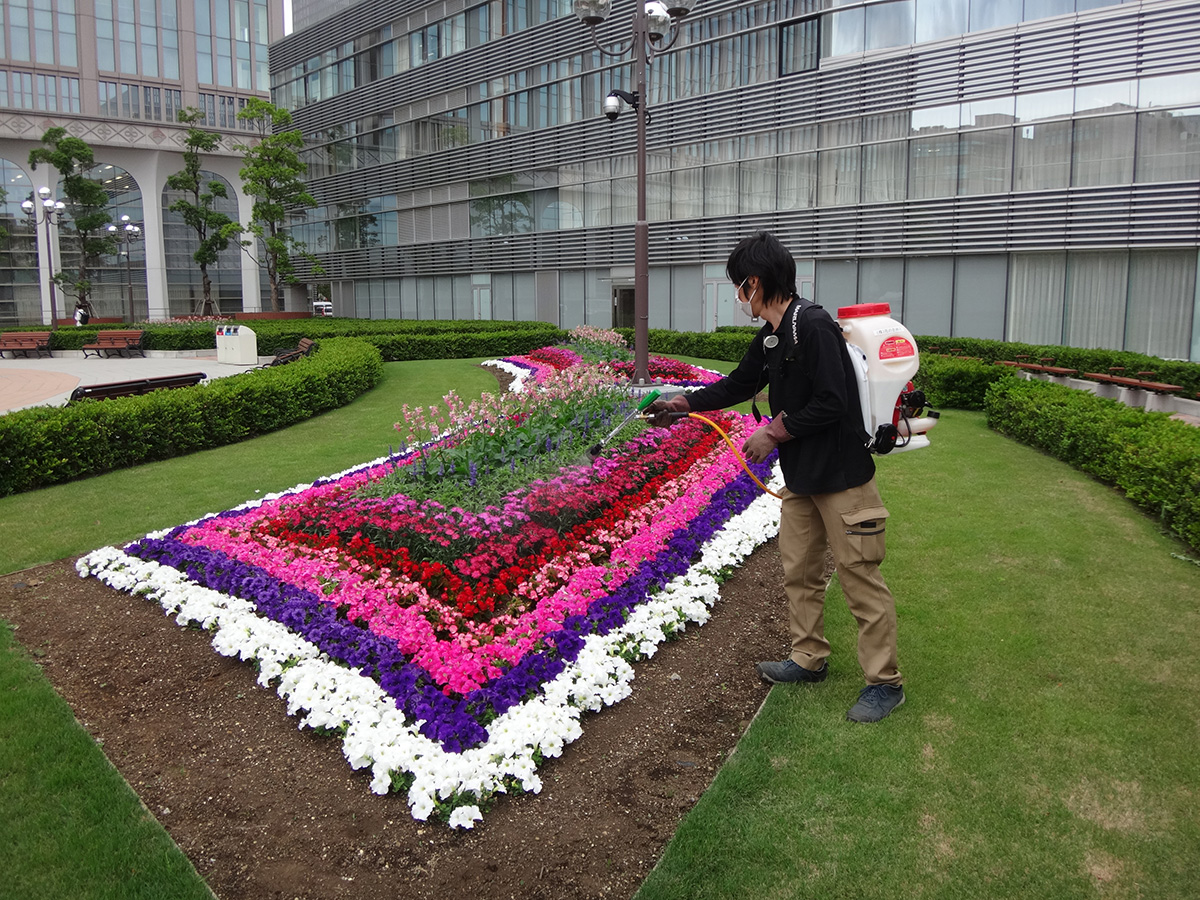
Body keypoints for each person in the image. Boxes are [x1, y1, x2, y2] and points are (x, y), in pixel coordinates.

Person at [647, 231, 905, 723]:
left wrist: (773, 432)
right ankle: (809, 658)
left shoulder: (814, 327)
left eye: (738, 286)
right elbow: (739, 383)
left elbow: (834, 401)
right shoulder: (771, 335)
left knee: (859, 579)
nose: (737, 295)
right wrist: (681, 404)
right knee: (799, 572)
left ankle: (885, 684)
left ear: (756, 281)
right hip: (803, 478)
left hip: (844, 478)